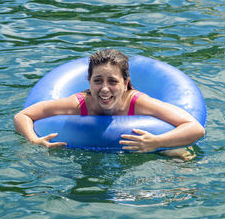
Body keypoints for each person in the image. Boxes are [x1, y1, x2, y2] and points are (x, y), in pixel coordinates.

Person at [14, 49, 205, 160]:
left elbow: (195, 128)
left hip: (145, 149)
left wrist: (156, 142)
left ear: (126, 83)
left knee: (180, 155)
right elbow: (22, 116)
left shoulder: (138, 102)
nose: (105, 89)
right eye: (98, 81)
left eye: (113, 82)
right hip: (83, 150)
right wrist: (33, 140)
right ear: (88, 81)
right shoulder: (78, 103)